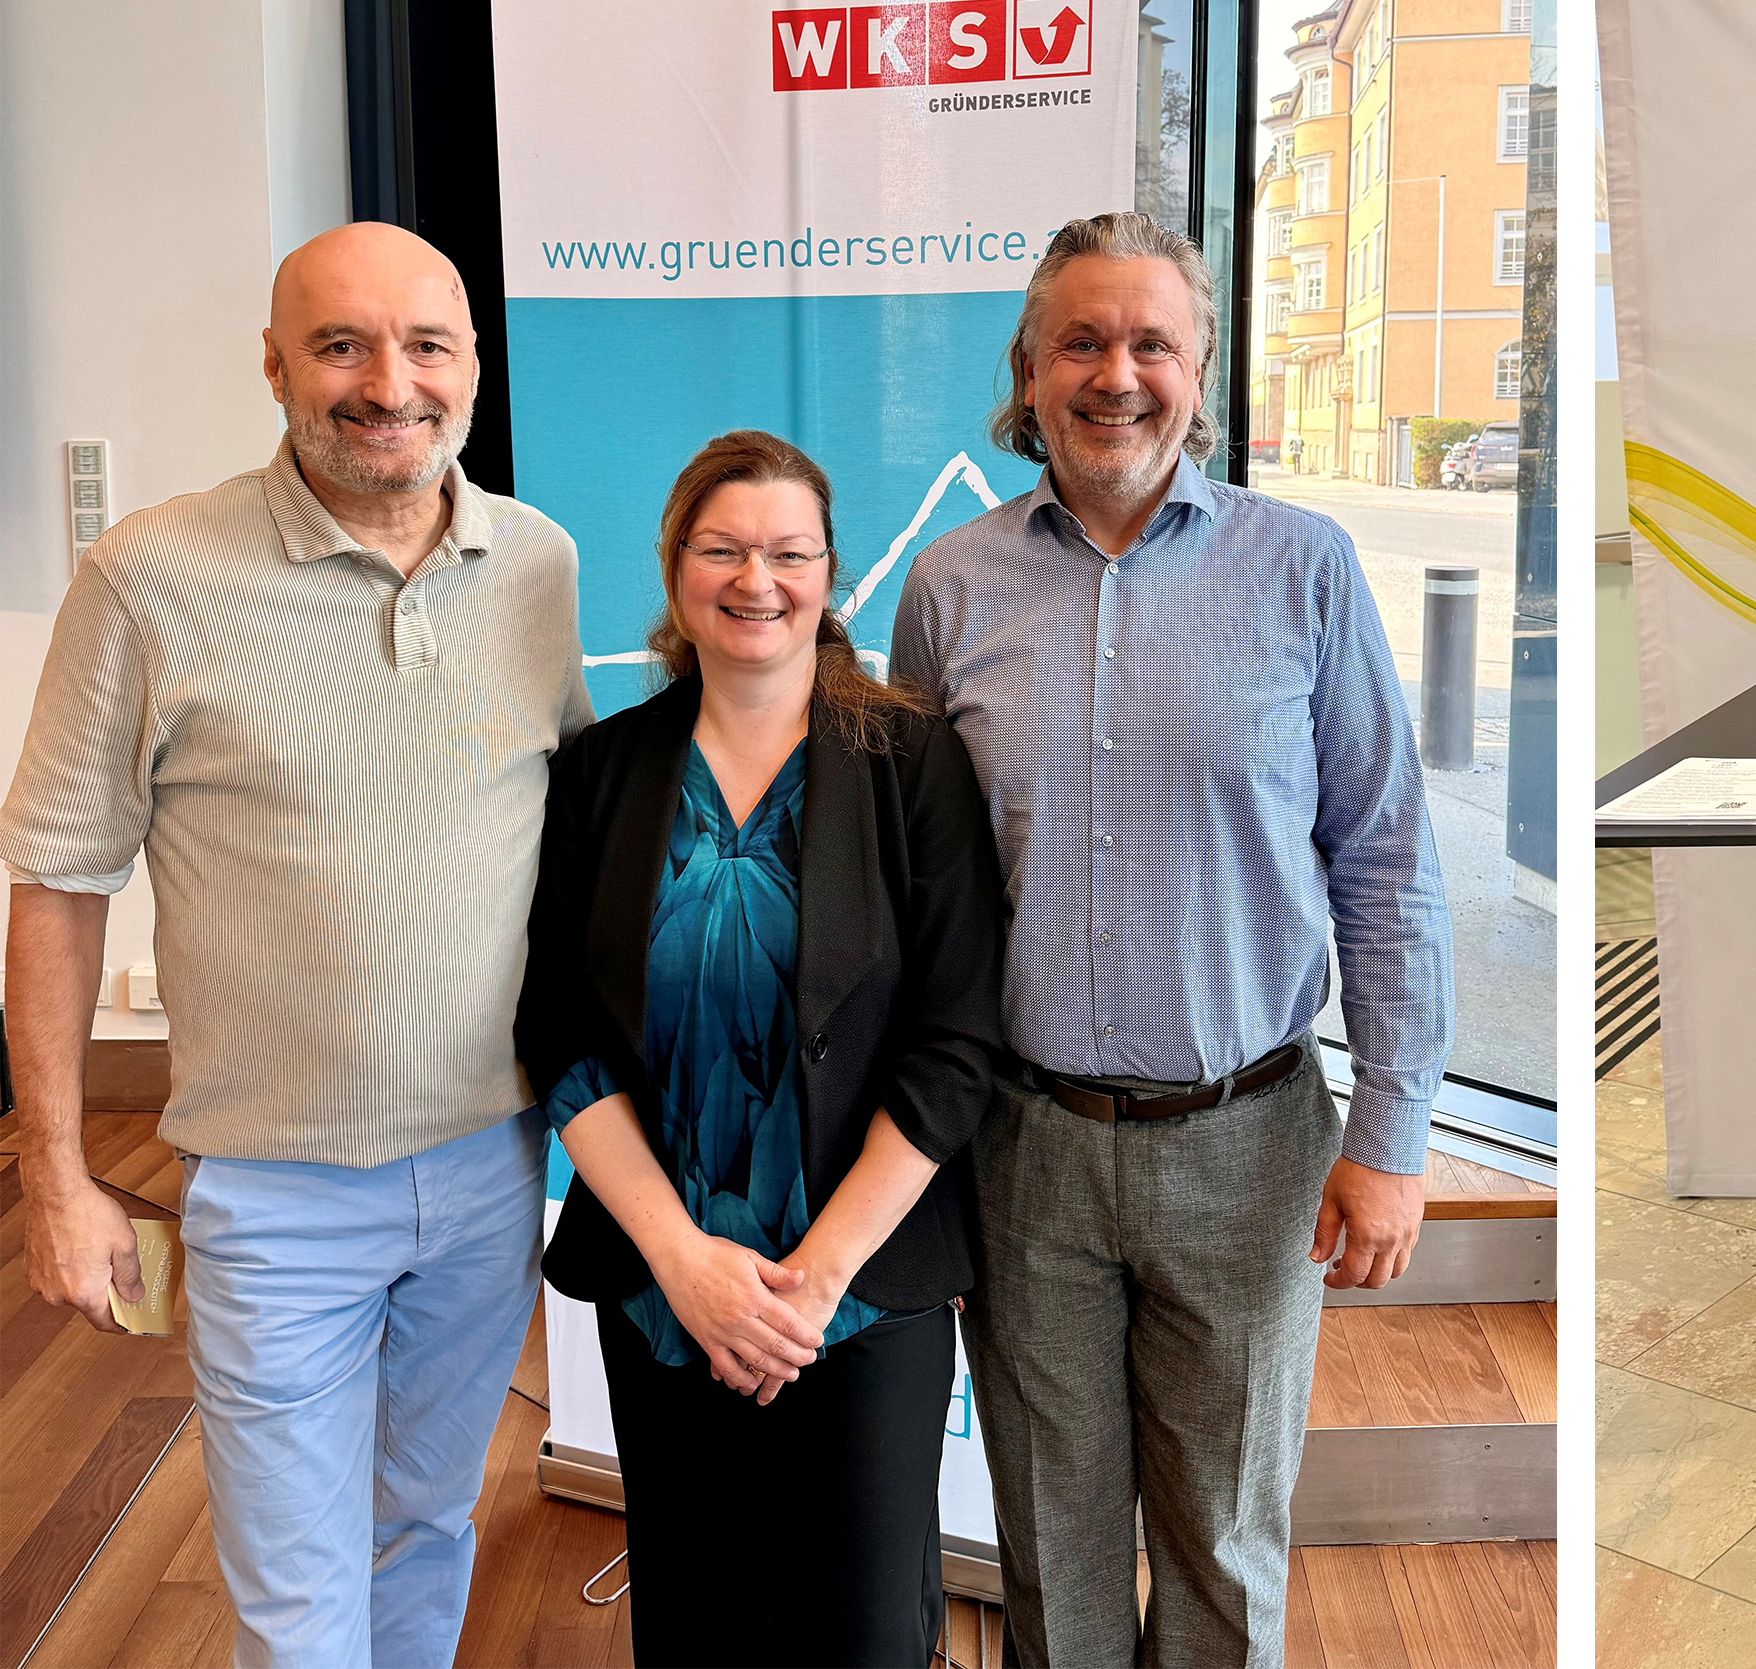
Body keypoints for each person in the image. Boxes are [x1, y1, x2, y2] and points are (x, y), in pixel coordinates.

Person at [0, 222, 589, 1666]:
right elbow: (58, 886)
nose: (388, 383)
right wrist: (59, 1175)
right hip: (271, 1197)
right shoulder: (147, 579)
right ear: (274, 365)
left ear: (471, 367)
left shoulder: (537, 563)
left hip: (491, 1167)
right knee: (298, 1601)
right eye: (341, 345)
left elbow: (571, 838)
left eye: (426, 345)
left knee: (428, 1529)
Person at [892, 212, 1453, 1668]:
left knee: (1222, 1542)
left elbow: (1385, 854)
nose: (1116, 373)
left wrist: (1391, 1131)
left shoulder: (1304, 569)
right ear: (1029, 370)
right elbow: (919, 897)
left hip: (1248, 1139)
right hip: (1025, 1150)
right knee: (1049, 1542)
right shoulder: (951, 590)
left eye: (1152, 341)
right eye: (1081, 339)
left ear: (1201, 370)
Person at [516, 431, 1008, 1665]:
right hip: (662, 1283)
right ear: (676, 567)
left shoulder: (912, 763)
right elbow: (559, 1028)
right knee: (694, 1619)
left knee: (863, 1631)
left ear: (831, 574)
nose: (756, 581)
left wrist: (818, 1277)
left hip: (857, 1289)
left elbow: (955, 1044)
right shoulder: (603, 772)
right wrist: (681, 1260)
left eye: (789, 554)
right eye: (722, 549)